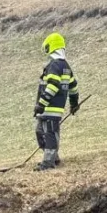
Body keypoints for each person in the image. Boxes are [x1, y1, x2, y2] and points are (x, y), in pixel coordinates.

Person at [34, 32, 80, 170]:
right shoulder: (65, 66)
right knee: (40, 131)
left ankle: (48, 163)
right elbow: (73, 87)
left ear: (50, 47)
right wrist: (74, 103)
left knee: (50, 135)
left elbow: (53, 85)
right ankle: (53, 158)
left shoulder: (54, 65)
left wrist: (41, 104)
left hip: (49, 108)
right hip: (51, 109)